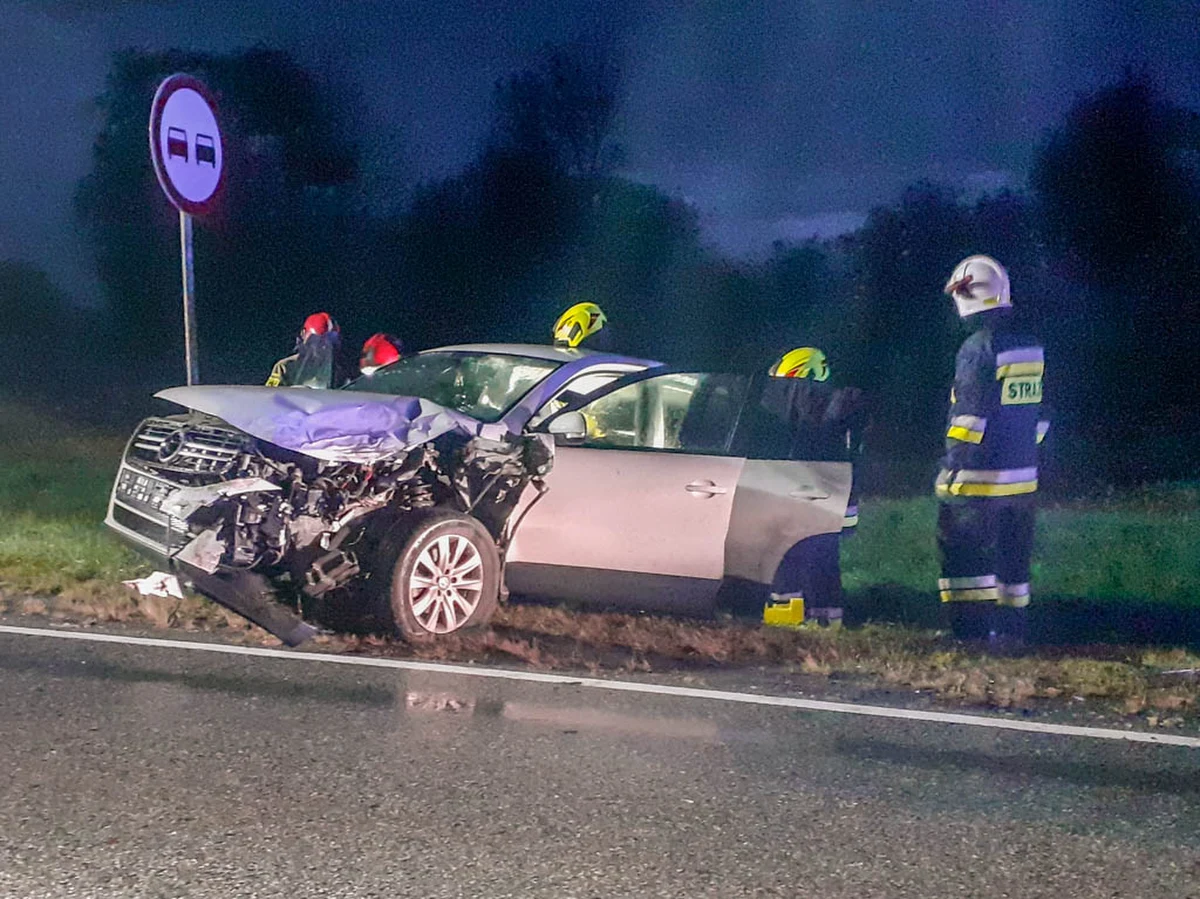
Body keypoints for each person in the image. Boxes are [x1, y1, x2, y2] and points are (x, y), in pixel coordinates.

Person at [938, 255, 1049, 644]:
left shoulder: (977, 348)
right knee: (1012, 561)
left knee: (965, 554)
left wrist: (953, 469)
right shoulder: (1030, 345)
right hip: (1022, 480)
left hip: (978, 480)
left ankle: (969, 635)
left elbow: (970, 418)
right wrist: (1020, 455)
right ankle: (1012, 633)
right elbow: (1039, 413)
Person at [760, 346, 865, 627]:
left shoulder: (785, 406)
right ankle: (828, 621)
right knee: (824, 559)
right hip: (835, 498)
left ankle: (785, 617)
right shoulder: (844, 405)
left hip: (796, 494)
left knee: (785, 556)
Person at [266, 312, 348, 389]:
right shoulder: (285, 367)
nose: (323, 346)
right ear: (303, 334)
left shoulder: (340, 370)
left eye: (328, 342)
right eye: (317, 340)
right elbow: (270, 396)